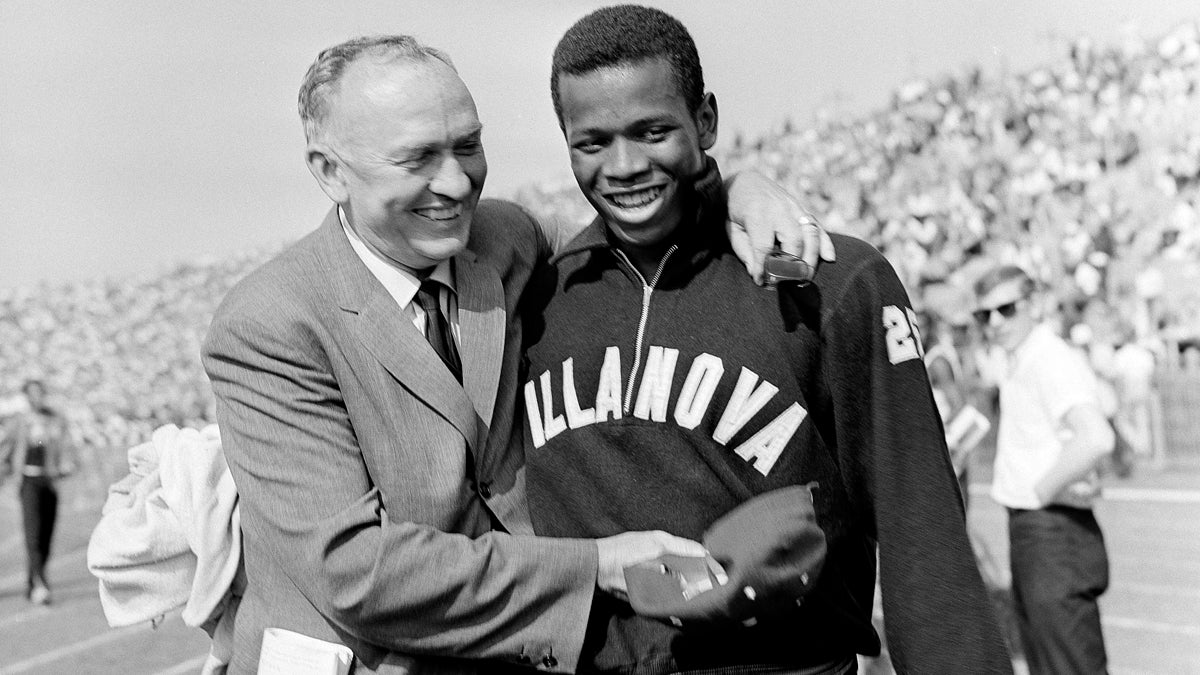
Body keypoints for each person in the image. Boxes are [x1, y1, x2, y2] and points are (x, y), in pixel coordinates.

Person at [201, 34, 829, 674]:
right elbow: (355, 573)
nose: (454, 182)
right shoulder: (271, 324)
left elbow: (629, 233)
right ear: (330, 170)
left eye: (467, 146)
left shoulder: (503, 237)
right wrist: (597, 566)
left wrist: (733, 192)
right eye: (417, 158)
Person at [518, 6, 1011, 673]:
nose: (625, 164)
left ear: (707, 120)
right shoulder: (537, 296)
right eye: (593, 142)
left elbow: (920, 526)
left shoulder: (828, 281)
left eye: (653, 130)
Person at [973, 265, 1114, 674]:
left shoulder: (1046, 356)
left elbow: (1096, 436)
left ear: (1032, 305)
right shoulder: (1023, 357)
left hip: (1053, 530)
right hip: (1040, 532)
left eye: (1007, 309)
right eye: (985, 315)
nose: (995, 322)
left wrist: (1040, 491)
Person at [0, 379, 77, 605]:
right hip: (28, 481)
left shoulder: (55, 420)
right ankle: (41, 583)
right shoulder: (19, 422)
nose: (36, 398)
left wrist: (67, 465)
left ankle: (33, 579)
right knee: (32, 533)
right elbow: (7, 449)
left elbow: (68, 449)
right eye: (31, 394)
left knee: (46, 535)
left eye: (39, 393)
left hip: (50, 481)